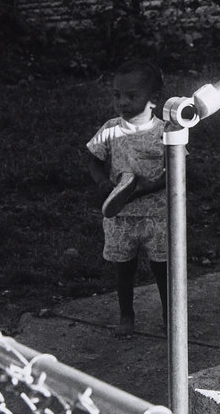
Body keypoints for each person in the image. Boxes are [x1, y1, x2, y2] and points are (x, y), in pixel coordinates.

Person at [87, 59, 168, 336]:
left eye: (132, 96)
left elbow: (177, 170)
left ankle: (171, 318)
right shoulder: (110, 129)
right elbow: (93, 159)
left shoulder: (165, 132)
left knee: (163, 269)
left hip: (156, 215)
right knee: (124, 269)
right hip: (120, 216)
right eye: (117, 95)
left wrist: (148, 187)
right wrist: (100, 181)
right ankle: (126, 316)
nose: (122, 102)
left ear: (153, 100)